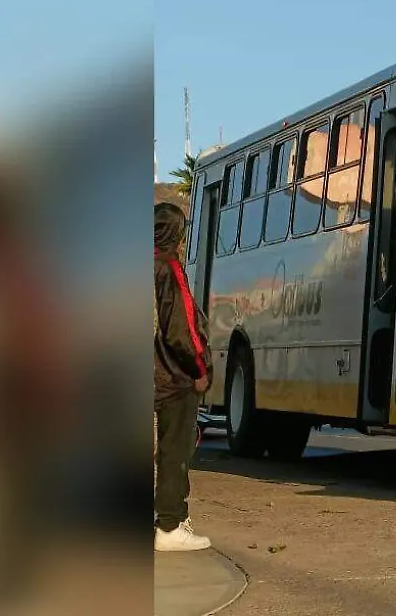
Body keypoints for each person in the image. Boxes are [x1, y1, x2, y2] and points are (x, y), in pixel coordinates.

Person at [153, 202, 212, 552]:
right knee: (174, 452)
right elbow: (183, 331)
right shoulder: (170, 269)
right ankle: (171, 525)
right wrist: (200, 371)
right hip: (173, 379)